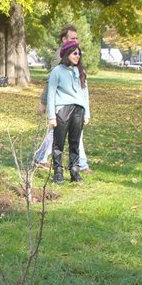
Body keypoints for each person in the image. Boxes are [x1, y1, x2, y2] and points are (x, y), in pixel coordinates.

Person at [35, 25, 92, 173]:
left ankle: (40, 158)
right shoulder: (59, 57)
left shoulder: (75, 54)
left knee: (70, 134)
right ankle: (81, 164)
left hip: (75, 105)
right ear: (64, 39)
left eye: (77, 38)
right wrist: (43, 103)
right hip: (62, 105)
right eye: (73, 38)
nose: (76, 40)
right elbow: (51, 82)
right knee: (59, 134)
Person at [46, 40, 90, 183]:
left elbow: (85, 94)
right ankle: (58, 172)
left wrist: (87, 113)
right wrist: (52, 116)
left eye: (79, 54)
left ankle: (74, 170)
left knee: (75, 142)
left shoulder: (81, 71)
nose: (77, 56)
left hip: (78, 110)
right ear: (67, 54)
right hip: (62, 110)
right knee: (59, 143)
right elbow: (51, 93)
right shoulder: (57, 71)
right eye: (74, 53)